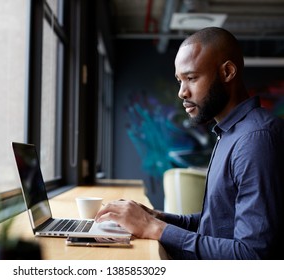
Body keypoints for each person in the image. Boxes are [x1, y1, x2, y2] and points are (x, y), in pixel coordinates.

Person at [95, 27, 284, 259]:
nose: (182, 92)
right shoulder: (230, 133)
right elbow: (216, 223)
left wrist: (154, 229)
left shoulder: (256, 139)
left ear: (227, 72)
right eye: (179, 80)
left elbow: (252, 257)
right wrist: (155, 217)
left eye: (192, 78)